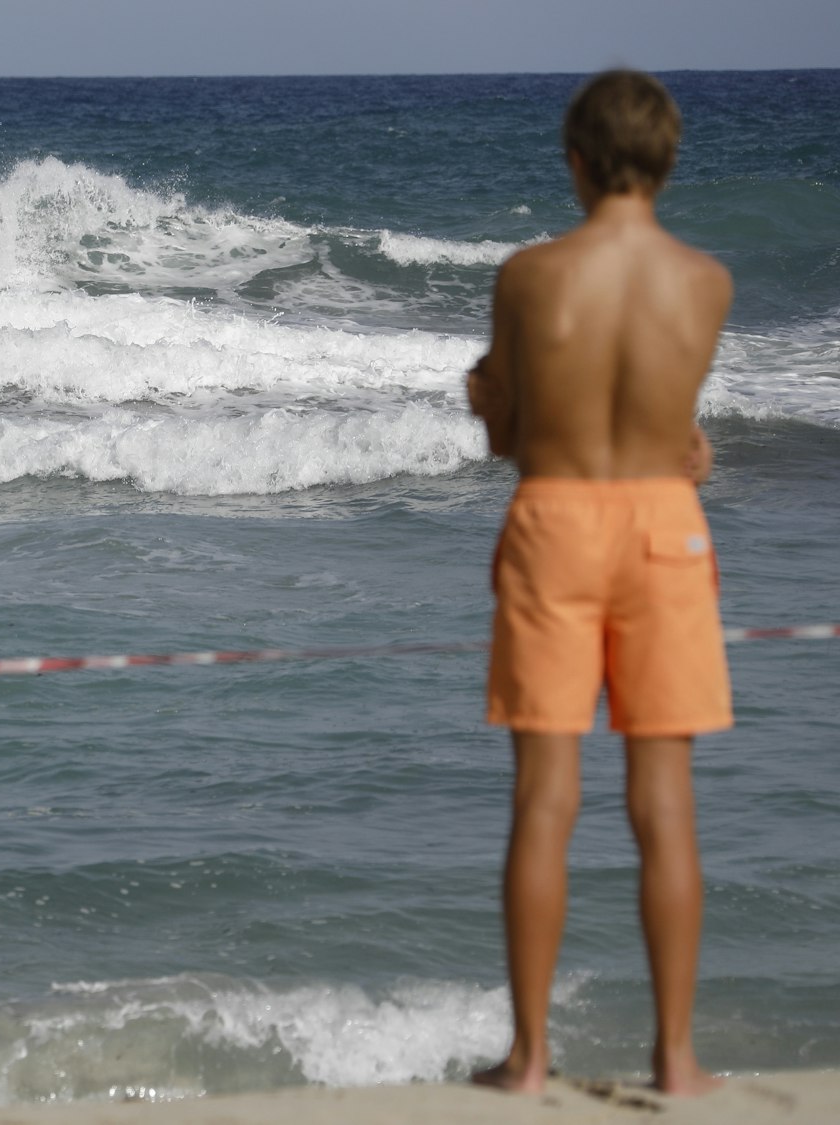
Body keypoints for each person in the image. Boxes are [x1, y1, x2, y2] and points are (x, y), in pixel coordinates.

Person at [465, 69, 732, 1097]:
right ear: (665, 164)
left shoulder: (528, 276)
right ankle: (673, 1058)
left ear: (574, 162)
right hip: (664, 527)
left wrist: (480, 399)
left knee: (544, 800)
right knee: (663, 803)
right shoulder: (704, 282)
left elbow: (507, 436)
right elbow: (676, 436)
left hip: (557, 520)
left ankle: (529, 1061)